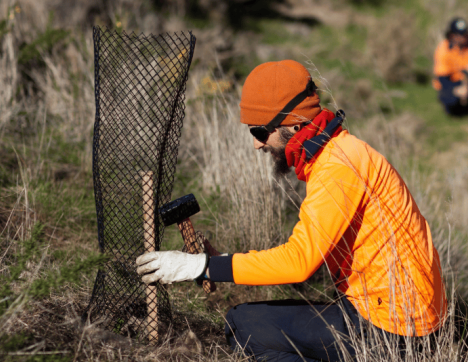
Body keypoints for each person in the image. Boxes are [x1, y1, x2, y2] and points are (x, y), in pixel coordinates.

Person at [136, 60, 447, 361]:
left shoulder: (338, 168)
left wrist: (201, 267)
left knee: (243, 325)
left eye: (260, 132)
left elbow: (299, 263)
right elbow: (305, 257)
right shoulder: (337, 153)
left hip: (396, 331)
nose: (257, 145)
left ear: (295, 123)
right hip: (401, 317)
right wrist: (217, 262)